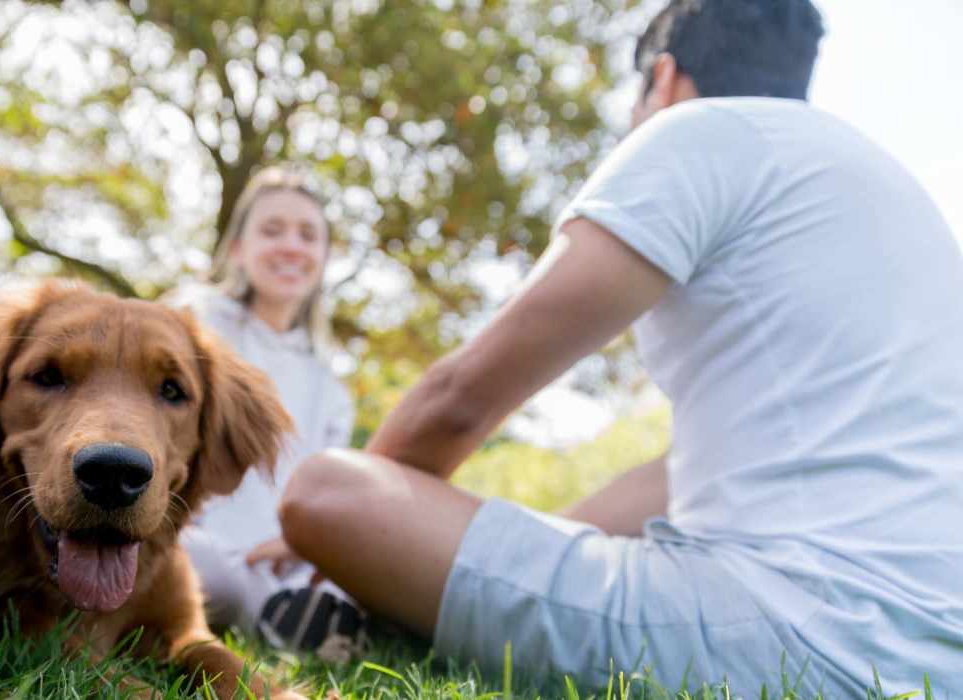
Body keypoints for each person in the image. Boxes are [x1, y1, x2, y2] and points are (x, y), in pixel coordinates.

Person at [277, 0, 963, 695]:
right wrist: (491, 557)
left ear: (662, 78)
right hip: (939, 658)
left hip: (791, 637)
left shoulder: (701, 132)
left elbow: (460, 400)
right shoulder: (885, 191)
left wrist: (343, 558)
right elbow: (680, 478)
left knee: (328, 489)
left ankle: (359, 615)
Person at [171, 165, 363, 656]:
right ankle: (278, 615)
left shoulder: (330, 384)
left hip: (284, 553)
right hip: (194, 533)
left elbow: (325, 490)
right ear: (238, 248)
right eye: (273, 230)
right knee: (199, 564)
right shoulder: (193, 323)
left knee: (356, 566)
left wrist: (301, 543)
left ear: (324, 256)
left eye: (308, 235)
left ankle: (299, 608)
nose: (291, 247)